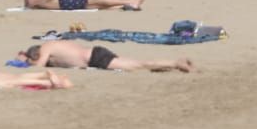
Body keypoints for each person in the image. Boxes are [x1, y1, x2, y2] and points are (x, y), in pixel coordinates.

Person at [19, 43, 195, 73]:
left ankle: (175, 63)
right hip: (95, 54)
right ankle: (174, 63)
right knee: (135, 64)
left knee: (137, 65)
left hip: (95, 57)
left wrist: (25, 61)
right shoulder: (53, 46)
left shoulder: (46, 47)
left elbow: (38, 66)